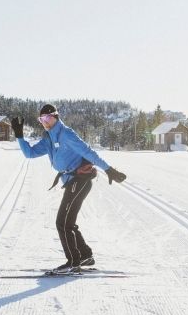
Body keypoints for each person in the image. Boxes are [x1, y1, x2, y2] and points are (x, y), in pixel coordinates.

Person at [12, 104, 127, 274]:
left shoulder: (66, 134)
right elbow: (30, 153)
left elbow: (89, 153)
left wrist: (109, 169)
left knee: (62, 222)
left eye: (48, 118)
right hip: (72, 180)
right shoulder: (48, 138)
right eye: (41, 119)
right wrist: (19, 135)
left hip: (80, 180)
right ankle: (85, 255)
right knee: (68, 222)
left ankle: (73, 262)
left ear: (56, 117)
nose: (45, 122)